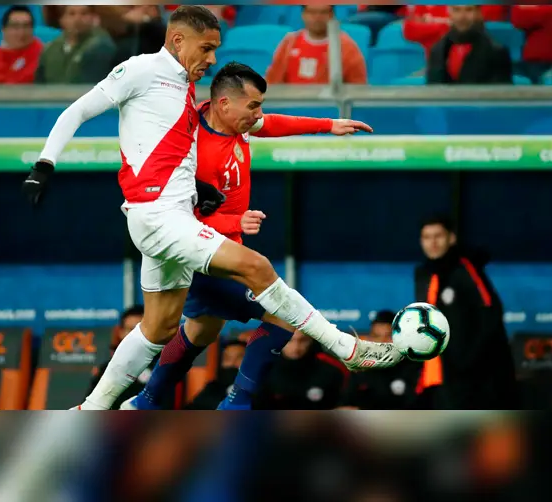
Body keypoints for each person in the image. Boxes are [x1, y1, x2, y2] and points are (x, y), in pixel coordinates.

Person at [23, 5, 402, 411]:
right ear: (178, 40)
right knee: (258, 269)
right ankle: (346, 348)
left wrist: (198, 188)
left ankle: (98, 408)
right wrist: (45, 164)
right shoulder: (141, 70)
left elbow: (215, 136)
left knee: (159, 328)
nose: (212, 58)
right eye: (206, 48)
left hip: (169, 216)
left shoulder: (186, 92)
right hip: (159, 215)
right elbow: (78, 110)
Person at [120, 61, 375, 411]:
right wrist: (233, 222)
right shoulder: (193, 150)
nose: (258, 114)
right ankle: (236, 405)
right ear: (225, 103)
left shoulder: (234, 123)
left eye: (260, 105)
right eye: (253, 105)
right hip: (200, 255)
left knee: (202, 330)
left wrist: (328, 125)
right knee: (282, 314)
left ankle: (145, 402)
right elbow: (178, 220)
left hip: (220, 251)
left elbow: (271, 124)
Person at [413, 215, 517, 409]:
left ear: (451, 238)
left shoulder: (467, 270)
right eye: (427, 237)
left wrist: (467, 362)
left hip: (470, 379)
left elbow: (491, 315)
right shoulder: (422, 274)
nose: (432, 243)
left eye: (438, 236)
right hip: (435, 375)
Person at [336, 311, 423, 410]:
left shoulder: (414, 367)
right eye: (376, 336)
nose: (382, 343)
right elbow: (343, 407)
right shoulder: (359, 369)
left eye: (388, 336)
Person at [265, 5, 368, 85]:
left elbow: (358, 88)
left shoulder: (347, 47)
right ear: (303, 15)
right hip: (290, 104)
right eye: (312, 12)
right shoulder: (289, 43)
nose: (317, 17)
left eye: (323, 12)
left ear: (332, 15)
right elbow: (272, 82)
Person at [254, 331, 349, 410]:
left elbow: (342, 407)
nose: (296, 347)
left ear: (312, 340)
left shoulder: (331, 372)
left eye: (303, 340)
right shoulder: (262, 372)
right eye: (289, 340)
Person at [425, 5, 513, 85]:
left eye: (469, 10)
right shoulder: (437, 50)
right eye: (456, 10)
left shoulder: (497, 52)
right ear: (449, 12)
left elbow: (500, 94)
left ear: (479, 13)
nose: (461, 17)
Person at [35, 5, 117, 84]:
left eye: (84, 13)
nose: (77, 19)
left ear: (93, 18)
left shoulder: (100, 46)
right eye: (72, 14)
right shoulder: (50, 48)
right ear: (62, 19)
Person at [184, 339, 247, 409]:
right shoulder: (213, 388)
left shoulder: (254, 390)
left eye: (239, 357)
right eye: (227, 358)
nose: (232, 363)